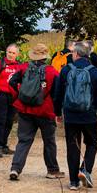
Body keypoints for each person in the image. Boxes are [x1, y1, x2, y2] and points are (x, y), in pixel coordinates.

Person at [53, 41, 97, 187]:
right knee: (92, 144)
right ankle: (85, 169)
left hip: (70, 115)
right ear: (88, 54)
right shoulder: (95, 71)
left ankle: (73, 182)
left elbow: (58, 94)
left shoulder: (65, 70)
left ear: (75, 54)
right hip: (88, 115)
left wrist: (57, 112)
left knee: (72, 147)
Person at [6, 42, 62, 180]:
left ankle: (15, 168)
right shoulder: (52, 71)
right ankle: (52, 170)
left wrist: (21, 94)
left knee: (24, 140)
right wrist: (57, 110)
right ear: (45, 57)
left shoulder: (23, 67)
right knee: (49, 141)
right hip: (45, 111)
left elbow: (12, 81)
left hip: (25, 109)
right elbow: (57, 93)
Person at [0, 44, 23, 158]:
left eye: (13, 53)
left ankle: (4, 145)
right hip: (1, 94)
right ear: (6, 52)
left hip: (13, 96)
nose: (11, 54)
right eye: (9, 52)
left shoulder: (19, 66)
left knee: (9, 121)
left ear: (17, 54)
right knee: (1, 120)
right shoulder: (0, 63)